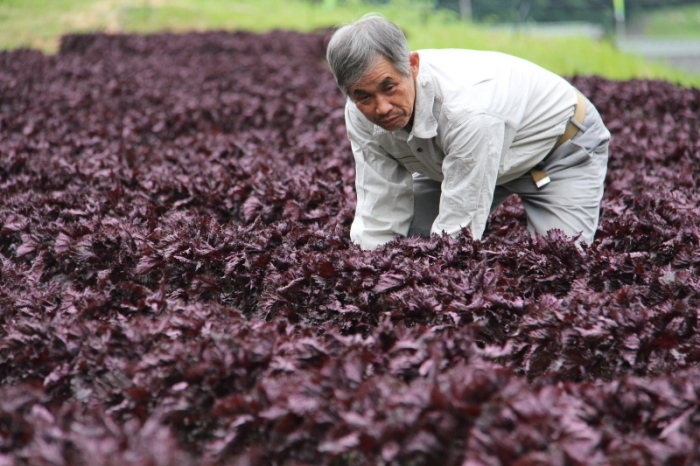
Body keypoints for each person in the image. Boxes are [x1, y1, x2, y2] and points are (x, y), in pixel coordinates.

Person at [325, 15, 611, 251]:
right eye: (364, 97)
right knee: (408, 243)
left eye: (389, 87)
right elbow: (379, 198)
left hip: (559, 150)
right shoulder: (360, 114)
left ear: (412, 65)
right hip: (470, 152)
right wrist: (369, 271)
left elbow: (457, 228)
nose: (382, 108)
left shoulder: (467, 109)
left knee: (560, 262)